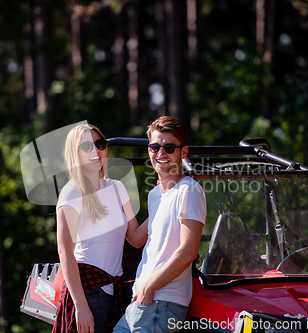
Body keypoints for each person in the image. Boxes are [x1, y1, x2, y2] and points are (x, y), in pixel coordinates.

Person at [113, 116, 207, 333]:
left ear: (183, 152)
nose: (161, 153)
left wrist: (151, 285)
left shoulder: (189, 190)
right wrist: (117, 196)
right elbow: (136, 239)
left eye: (169, 147)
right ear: (149, 150)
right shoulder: (156, 194)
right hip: (143, 300)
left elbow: (188, 250)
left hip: (162, 301)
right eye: (155, 147)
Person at [53, 123, 148, 333]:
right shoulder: (71, 193)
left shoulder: (117, 187)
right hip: (88, 292)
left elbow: (135, 238)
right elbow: (65, 252)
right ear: (74, 153)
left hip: (116, 290)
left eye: (99, 144)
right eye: (86, 146)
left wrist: (164, 200)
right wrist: (81, 306)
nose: (95, 151)